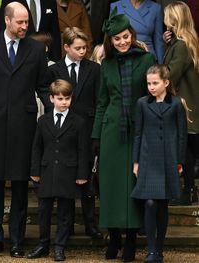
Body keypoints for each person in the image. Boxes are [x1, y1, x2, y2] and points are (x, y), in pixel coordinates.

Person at [0, 2, 48, 258]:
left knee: (18, 186)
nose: (25, 26)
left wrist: (61, 113)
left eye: (27, 22)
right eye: (21, 22)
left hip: (24, 127)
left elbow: (44, 88)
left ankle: (17, 241)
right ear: (7, 20)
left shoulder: (36, 50)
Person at [91, 8, 155, 261]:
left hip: (139, 130)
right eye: (117, 38)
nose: (122, 42)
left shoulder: (146, 60)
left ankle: (130, 241)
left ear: (132, 35)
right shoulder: (105, 65)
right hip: (111, 131)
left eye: (126, 36)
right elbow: (102, 102)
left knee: (132, 187)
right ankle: (114, 238)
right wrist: (96, 136)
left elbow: (152, 97)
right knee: (110, 187)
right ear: (111, 41)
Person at [43, 27, 102, 239]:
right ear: (66, 47)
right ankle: (64, 228)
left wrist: (96, 133)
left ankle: (90, 224)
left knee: (87, 179)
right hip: (62, 132)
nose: (83, 51)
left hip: (87, 130)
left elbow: (100, 100)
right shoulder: (54, 70)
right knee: (65, 180)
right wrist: (53, 111)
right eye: (78, 48)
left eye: (85, 47)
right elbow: (44, 89)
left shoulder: (94, 69)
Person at [26, 79, 88, 261]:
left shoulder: (78, 122)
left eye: (67, 99)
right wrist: (34, 170)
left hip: (68, 173)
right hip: (46, 172)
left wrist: (82, 174)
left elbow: (83, 150)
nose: (63, 102)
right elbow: (37, 147)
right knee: (44, 211)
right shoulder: (43, 120)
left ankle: (60, 246)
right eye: (60, 98)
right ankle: (43, 244)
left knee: (65, 213)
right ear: (51, 98)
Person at [131, 64, 188, 263]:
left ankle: (159, 250)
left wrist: (180, 161)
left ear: (166, 83)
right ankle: (151, 250)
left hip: (168, 160)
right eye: (148, 83)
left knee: (162, 205)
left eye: (155, 83)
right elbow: (138, 133)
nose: (151, 87)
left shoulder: (177, 104)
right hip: (147, 159)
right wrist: (136, 161)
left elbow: (182, 135)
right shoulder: (142, 103)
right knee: (149, 202)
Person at [163, 1, 199, 205]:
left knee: (185, 150)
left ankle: (187, 192)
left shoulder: (181, 45)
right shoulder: (188, 41)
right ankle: (189, 191)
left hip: (184, 106)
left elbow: (171, 74)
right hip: (191, 104)